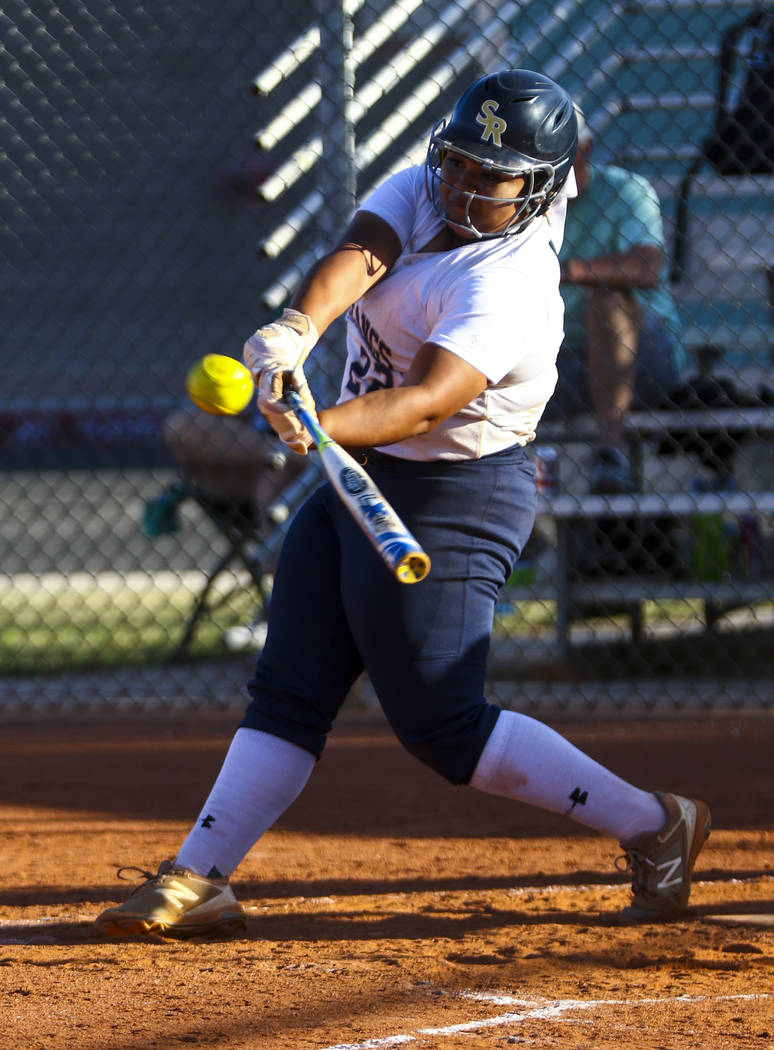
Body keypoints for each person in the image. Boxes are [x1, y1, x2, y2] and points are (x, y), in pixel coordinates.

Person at [94, 70, 710, 940]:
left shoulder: (512, 283)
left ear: (536, 189)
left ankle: (657, 825)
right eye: (457, 161)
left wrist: (312, 423)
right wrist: (295, 333)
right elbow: (363, 253)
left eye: (490, 176)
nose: (462, 185)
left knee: (443, 726)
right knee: (291, 686)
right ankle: (200, 876)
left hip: (457, 491)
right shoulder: (431, 191)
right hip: (367, 471)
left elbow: (426, 400)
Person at [543, 105, 685, 494]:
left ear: (584, 149)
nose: (549, 163)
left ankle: (609, 453)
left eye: (560, 150)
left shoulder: (625, 189)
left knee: (606, 300)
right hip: (556, 360)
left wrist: (567, 272)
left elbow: (646, 267)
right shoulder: (522, 201)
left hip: (641, 359)